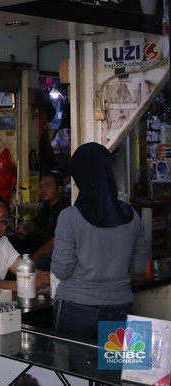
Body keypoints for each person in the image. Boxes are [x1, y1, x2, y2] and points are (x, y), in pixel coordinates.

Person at [52, 142, 150, 341]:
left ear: (78, 176)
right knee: (114, 363)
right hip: (121, 308)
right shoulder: (132, 215)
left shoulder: (69, 217)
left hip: (76, 309)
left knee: (72, 362)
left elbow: (61, 270)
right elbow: (138, 267)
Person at [10, 172, 70, 269]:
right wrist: (25, 229)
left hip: (57, 251)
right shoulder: (48, 205)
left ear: (59, 189)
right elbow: (37, 223)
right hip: (42, 244)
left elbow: (58, 239)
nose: (43, 190)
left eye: (48, 186)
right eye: (41, 186)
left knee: (34, 267)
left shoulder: (66, 208)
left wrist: (36, 255)